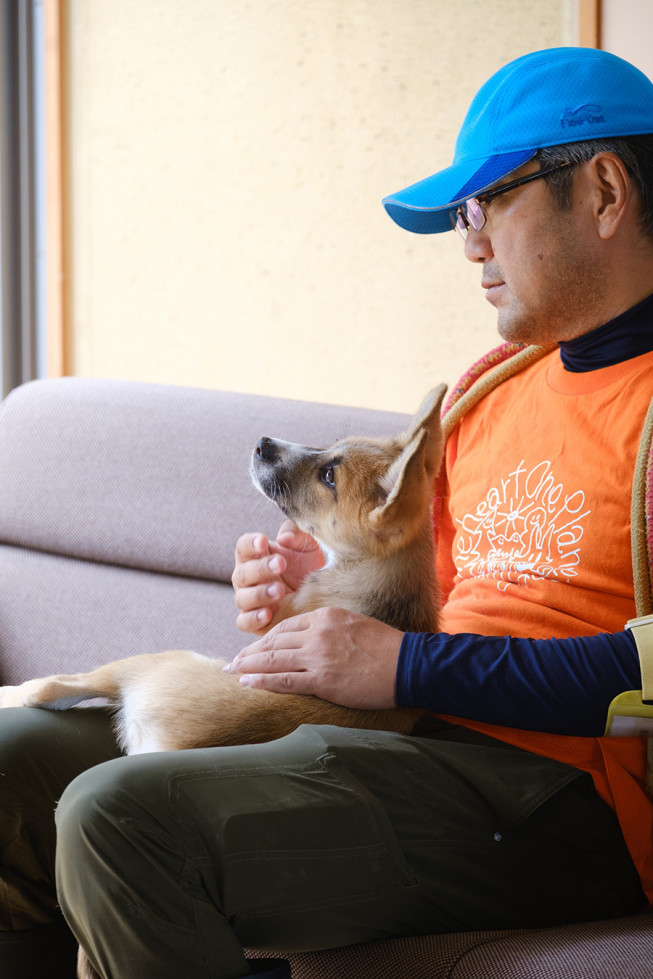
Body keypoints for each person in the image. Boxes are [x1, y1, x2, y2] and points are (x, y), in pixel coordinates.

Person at [2, 45, 653, 979]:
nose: (467, 243)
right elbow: (413, 583)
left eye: (487, 204)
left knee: (121, 816)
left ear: (599, 191)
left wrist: (406, 663)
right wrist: (325, 591)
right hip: (403, 733)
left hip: (560, 801)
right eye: (460, 216)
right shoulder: (487, 395)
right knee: (11, 755)